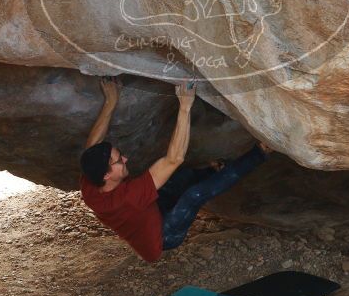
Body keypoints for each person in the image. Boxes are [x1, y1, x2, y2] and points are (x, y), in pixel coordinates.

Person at [78, 76, 271, 262]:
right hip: (164, 235)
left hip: (150, 211)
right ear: (106, 175)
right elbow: (174, 158)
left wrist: (111, 101)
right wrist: (185, 106)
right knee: (193, 196)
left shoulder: (91, 184)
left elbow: (92, 145)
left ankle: (213, 170)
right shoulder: (127, 199)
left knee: (179, 177)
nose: (126, 159)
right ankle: (260, 153)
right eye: (119, 160)